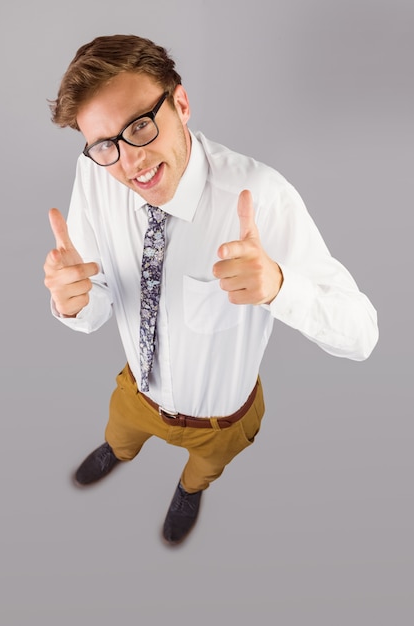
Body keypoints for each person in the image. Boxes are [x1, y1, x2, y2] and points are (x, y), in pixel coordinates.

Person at [44, 34, 378, 545]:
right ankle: (120, 451)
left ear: (181, 102)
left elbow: (362, 336)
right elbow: (100, 299)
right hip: (138, 394)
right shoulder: (96, 173)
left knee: (204, 467)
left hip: (222, 421)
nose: (129, 161)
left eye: (140, 125)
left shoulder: (262, 197)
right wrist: (74, 302)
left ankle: (191, 487)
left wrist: (279, 288)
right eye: (106, 145)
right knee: (120, 433)